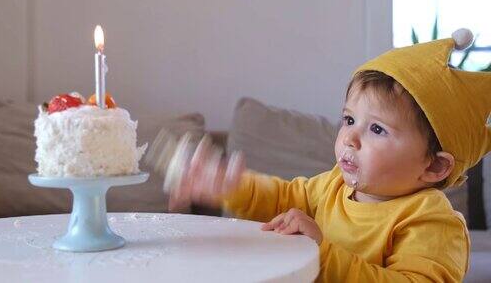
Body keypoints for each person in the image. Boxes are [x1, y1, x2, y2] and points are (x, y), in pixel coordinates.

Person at [167, 29, 491, 282]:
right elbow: (285, 196)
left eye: (377, 129)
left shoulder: (432, 221)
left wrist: (320, 251)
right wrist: (232, 186)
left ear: (433, 165)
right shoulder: (335, 185)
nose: (349, 137)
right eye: (349, 119)